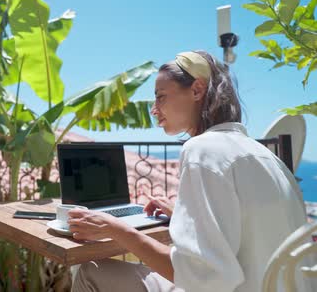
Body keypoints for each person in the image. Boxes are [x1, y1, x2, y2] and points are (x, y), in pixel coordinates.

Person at [69, 50, 310, 292]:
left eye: (161, 97)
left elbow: (202, 278)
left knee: (91, 270)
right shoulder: (265, 156)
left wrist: (116, 229)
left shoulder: (203, 150)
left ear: (196, 90)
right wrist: (185, 217)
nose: (154, 109)